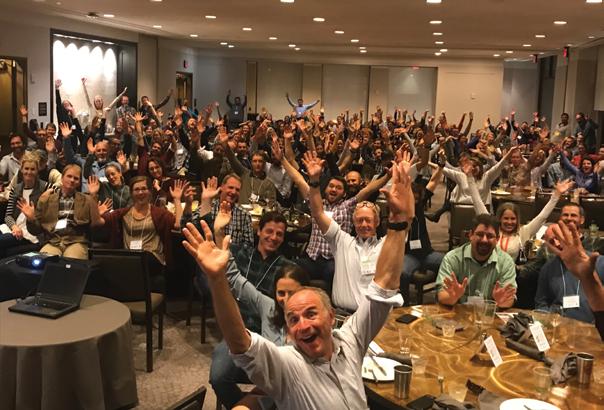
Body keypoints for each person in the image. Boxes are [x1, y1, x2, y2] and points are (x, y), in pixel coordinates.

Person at [181, 158, 413, 410]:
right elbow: (240, 342)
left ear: (331, 316)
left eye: (311, 313)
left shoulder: (350, 340)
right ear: (288, 331)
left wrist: (398, 220)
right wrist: (217, 279)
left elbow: (383, 286)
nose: (303, 325)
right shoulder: (288, 365)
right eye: (293, 319)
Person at [209, 227, 309, 408]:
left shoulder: (311, 323)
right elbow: (236, 279)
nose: (286, 299)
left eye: (293, 293)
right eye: (281, 293)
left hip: (298, 391)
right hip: (269, 387)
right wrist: (219, 235)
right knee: (220, 377)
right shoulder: (269, 306)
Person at [305, 150, 387, 312]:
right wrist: (314, 181)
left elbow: (403, 222)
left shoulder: (385, 245)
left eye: (368, 220)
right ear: (353, 223)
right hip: (342, 313)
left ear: (377, 222)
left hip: (373, 315)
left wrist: (392, 179)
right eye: (359, 220)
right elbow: (318, 213)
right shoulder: (342, 241)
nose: (364, 225)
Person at [468, 177, 573, 261]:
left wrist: (556, 195)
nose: (509, 222)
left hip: (509, 275)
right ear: (499, 219)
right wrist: (469, 178)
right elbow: (478, 204)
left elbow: (542, 217)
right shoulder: (492, 231)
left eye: (513, 219)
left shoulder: (523, 232)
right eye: (506, 218)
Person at [92, 176, 186, 268]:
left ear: (150, 191)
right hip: (130, 259)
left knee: (143, 259)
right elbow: (97, 222)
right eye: (136, 189)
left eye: (144, 189)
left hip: (152, 259)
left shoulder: (160, 214)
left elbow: (178, 224)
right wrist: (93, 196)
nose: (140, 192)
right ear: (131, 193)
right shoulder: (122, 213)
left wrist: (177, 199)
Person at [18, 164, 104, 259]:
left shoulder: (87, 200)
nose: (72, 180)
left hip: (76, 241)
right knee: (43, 261)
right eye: (69, 176)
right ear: (62, 178)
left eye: (76, 178)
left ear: (79, 183)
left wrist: (93, 196)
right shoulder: (46, 199)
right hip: (53, 241)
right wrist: (31, 219)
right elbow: (36, 231)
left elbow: (95, 225)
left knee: (70, 261)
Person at [436, 214, 517, 307]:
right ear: (471, 235)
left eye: (490, 236)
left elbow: (508, 299)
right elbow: (442, 295)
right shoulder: (452, 259)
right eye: (480, 234)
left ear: (497, 239)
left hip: (490, 314)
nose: (484, 240)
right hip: (457, 313)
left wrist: (502, 302)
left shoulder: (506, 262)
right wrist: (452, 297)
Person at [535, 218, 604, 323]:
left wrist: (589, 277)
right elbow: (541, 303)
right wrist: (549, 321)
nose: (557, 244)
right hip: (560, 327)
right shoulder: (547, 268)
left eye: (559, 238)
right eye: (551, 241)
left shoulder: (599, 262)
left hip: (594, 326)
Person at [400, 164, 445, 305]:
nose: (414, 201)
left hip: (427, 253)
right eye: (412, 199)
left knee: (451, 262)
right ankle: (404, 305)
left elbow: (433, 182)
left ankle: (442, 299)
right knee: (403, 274)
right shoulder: (399, 212)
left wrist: (441, 167)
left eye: (417, 199)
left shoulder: (419, 206)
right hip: (409, 255)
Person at [182, 174, 254, 247]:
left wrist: (228, 248)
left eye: (237, 190)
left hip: (232, 254)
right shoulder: (207, 206)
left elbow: (249, 247)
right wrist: (189, 204)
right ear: (221, 187)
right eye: (230, 187)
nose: (233, 192)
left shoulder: (245, 215)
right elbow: (188, 230)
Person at [0, 153, 48, 257]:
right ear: (21, 169)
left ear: (37, 170)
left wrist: (48, 192)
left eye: (32, 169)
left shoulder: (45, 186)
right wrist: (14, 227)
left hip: (31, 233)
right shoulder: (16, 189)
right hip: (15, 229)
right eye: (26, 168)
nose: (29, 172)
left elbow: (60, 189)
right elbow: (8, 215)